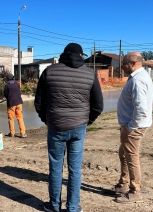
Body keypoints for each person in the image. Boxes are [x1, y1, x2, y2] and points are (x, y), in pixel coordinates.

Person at [34, 43, 103, 212]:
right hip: (78, 127)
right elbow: (98, 105)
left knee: (55, 168)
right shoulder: (89, 74)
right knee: (75, 169)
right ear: (81, 55)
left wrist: (48, 120)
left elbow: (39, 102)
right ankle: (72, 207)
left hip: (56, 127)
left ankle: (54, 206)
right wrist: (87, 121)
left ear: (64, 54)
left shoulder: (49, 71)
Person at [113, 52, 153, 203]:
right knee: (123, 154)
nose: (121, 67)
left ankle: (135, 191)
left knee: (131, 158)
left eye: (124, 64)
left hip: (134, 127)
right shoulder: (137, 77)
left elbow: (141, 109)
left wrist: (130, 127)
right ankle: (124, 183)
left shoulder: (138, 80)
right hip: (131, 125)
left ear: (133, 63)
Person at [3, 73, 27, 138]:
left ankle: (12, 133)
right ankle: (23, 133)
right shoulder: (17, 84)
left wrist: (8, 97)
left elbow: (5, 94)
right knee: (20, 118)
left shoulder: (7, 85)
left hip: (11, 104)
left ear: (8, 78)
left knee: (11, 119)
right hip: (19, 103)